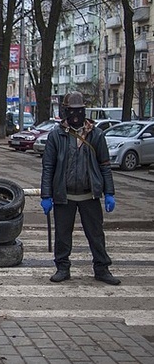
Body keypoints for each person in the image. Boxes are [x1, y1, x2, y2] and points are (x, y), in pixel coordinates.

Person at [40, 91, 120, 285]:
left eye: (79, 110)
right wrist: (46, 195)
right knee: (62, 236)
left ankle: (102, 268)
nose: (76, 115)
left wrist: (109, 192)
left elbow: (104, 165)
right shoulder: (56, 136)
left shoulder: (96, 134)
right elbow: (48, 167)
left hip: (89, 195)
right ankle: (62, 268)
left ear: (84, 111)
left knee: (96, 235)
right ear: (66, 112)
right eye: (72, 111)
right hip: (64, 195)